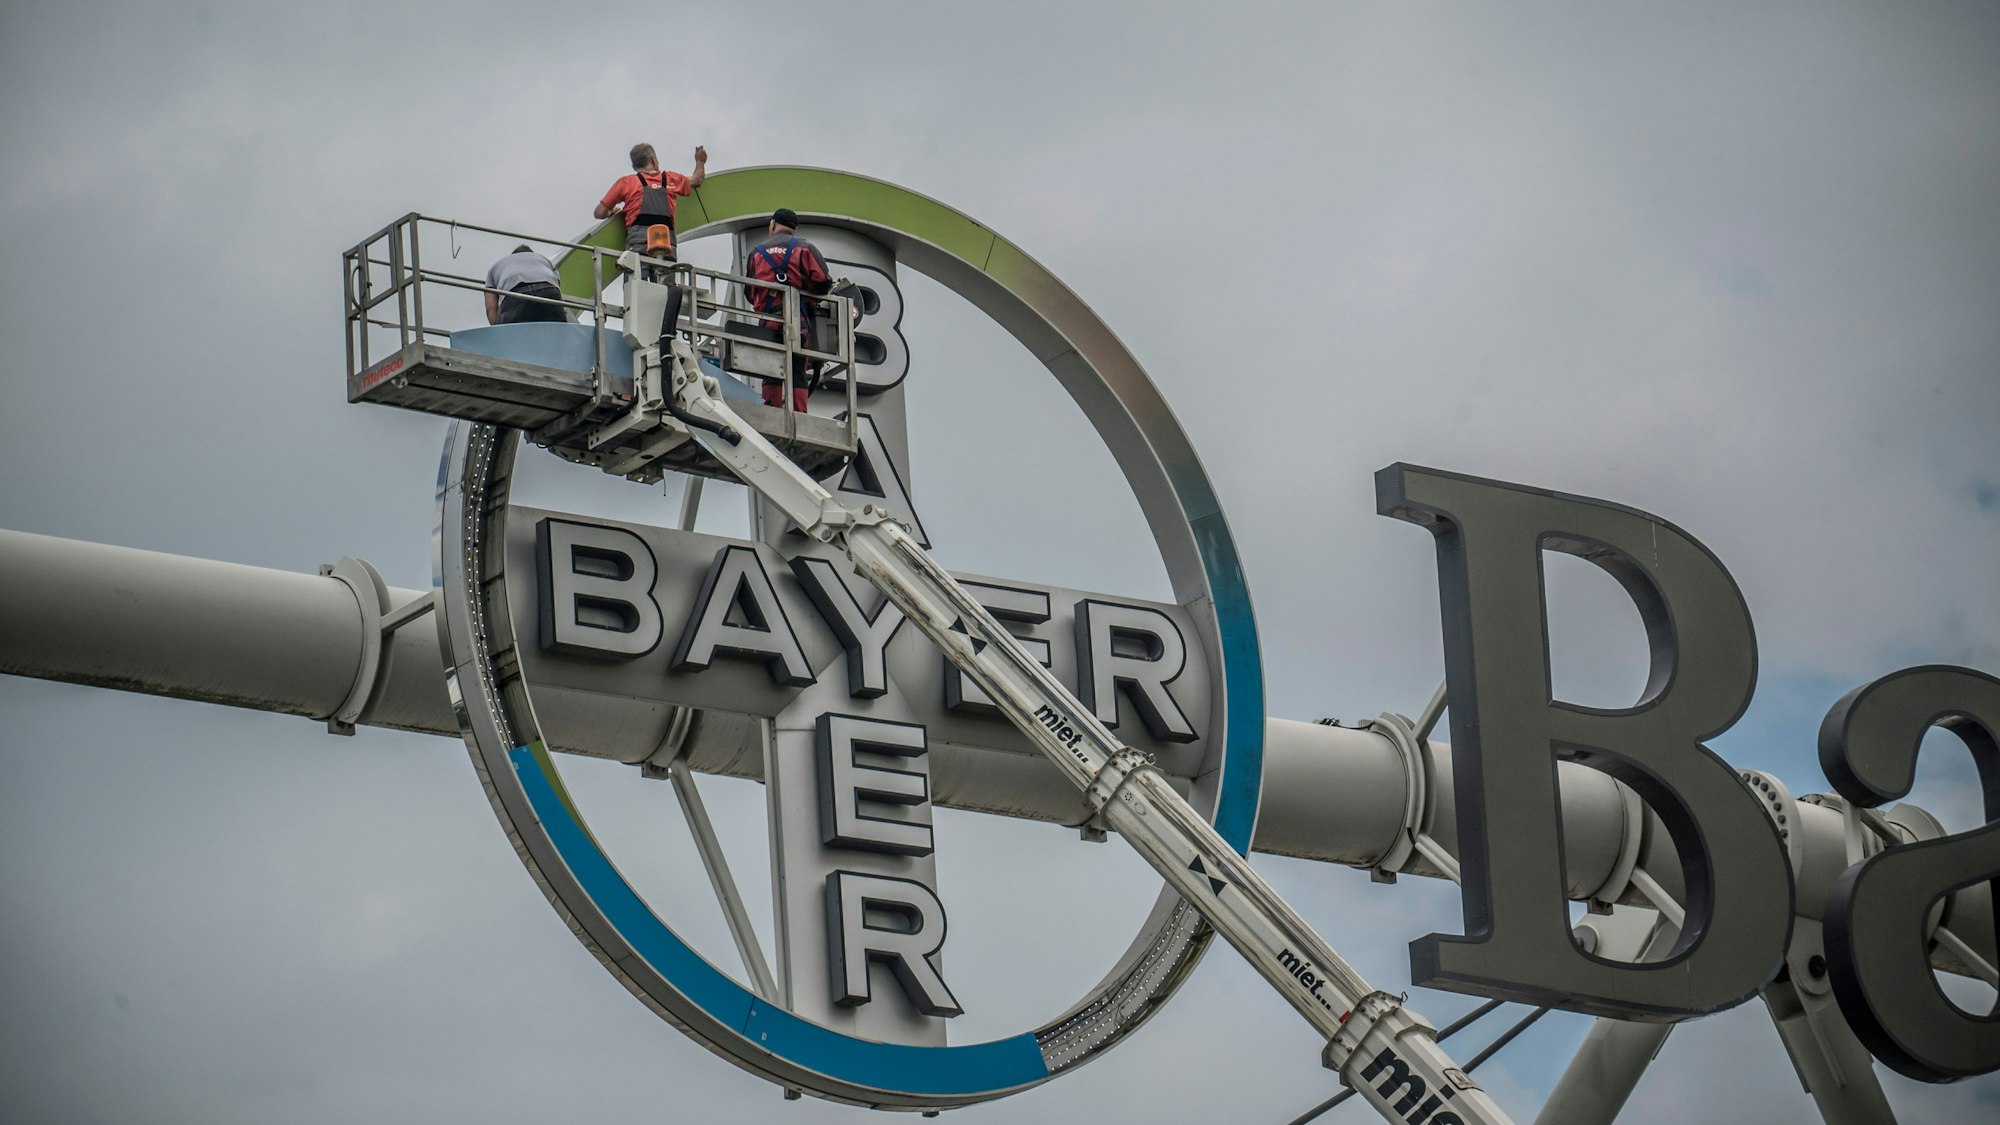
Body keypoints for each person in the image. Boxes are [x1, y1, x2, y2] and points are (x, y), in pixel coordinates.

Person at [742, 208, 833, 413]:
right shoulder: (805, 248)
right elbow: (823, 283)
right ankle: (799, 415)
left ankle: (772, 411)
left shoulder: (756, 253)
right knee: (797, 370)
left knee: (771, 370)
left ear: (773, 225)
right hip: (797, 322)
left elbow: (749, 293)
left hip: (768, 322)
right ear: (794, 229)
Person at [595, 143, 707, 260]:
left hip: (638, 243)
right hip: (666, 244)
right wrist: (700, 161)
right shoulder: (671, 179)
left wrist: (613, 211)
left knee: (636, 276)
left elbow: (599, 213)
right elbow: (697, 180)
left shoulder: (626, 183)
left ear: (634, 167)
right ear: (653, 160)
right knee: (664, 277)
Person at [484, 244, 565, 325]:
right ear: (531, 254)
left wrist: (498, 331)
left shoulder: (496, 267)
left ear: (513, 256)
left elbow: (491, 307)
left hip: (517, 293)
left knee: (513, 332)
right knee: (557, 329)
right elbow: (556, 285)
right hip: (547, 290)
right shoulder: (544, 260)